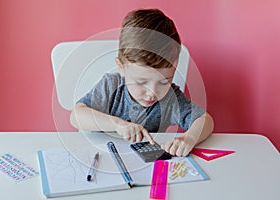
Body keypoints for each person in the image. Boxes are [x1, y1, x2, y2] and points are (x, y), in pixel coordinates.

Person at [70, 8, 214, 157]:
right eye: (141, 82)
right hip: (101, 157)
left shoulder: (170, 98)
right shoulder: (111, 86)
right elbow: (76, 116)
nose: (152, 92)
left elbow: (205, 120)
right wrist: (118, 125)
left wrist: (189, 138)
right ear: (121, 67)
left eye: (164, 82)